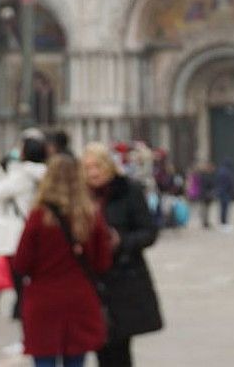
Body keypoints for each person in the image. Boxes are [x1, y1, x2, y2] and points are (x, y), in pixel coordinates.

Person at [11, 154, 113, 367]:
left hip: (43, 302)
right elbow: (103, 263)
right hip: (80, 301)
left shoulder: (38, 217)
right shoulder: (91, 216)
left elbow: (21, 263)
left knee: (44, 362)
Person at [82, 143, 163, 366]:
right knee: (100, 345)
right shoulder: (80, 196)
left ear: (109, 166)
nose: (93, 173)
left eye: (97, 166)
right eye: (87, 168)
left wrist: (122, 242)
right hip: (93, 280)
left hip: (124, 278)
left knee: (119, 348)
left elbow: (149, 232)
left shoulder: (128, 190)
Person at [0, 134, 48, 317]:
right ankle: (17, 308)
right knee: (19, 275)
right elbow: (8, 187)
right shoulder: (34, 173)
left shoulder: (23, 175)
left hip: (15, 232)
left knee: (18, 276)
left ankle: (20, 312)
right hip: (22, 228)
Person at [213, 160, 234, 233]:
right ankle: (224, 223)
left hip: (221, 192)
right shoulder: (228, 173)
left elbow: (216, 182)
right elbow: (231, 183)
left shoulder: (219, 172)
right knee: (225, 208)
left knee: (222, 208)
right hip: (226, 193)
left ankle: (222, 223)